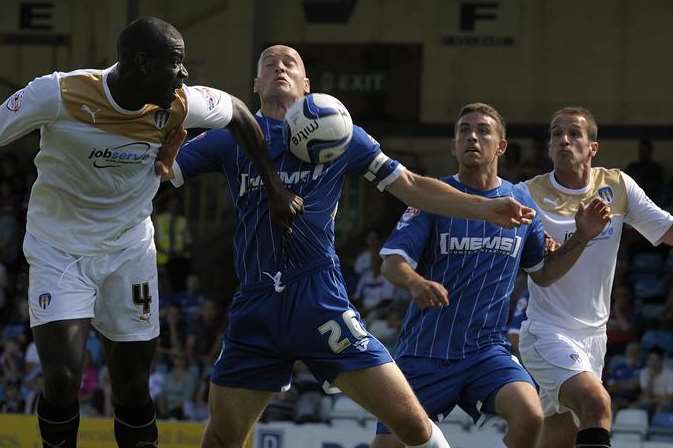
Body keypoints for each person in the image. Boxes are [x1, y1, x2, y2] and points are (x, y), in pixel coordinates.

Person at [161, 46, 537, 448]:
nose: (279, 67)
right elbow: (162, 172)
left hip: (320, 302)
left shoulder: (341, 131)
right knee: (221, 438)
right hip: (257, 307)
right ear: (255, 85)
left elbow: (409, 185)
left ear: (307, 85)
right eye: (268, 64)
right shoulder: (231, 137)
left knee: (409, 424)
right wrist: (160, 154)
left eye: (290, 63)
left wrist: (485, 208)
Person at [0, 17, 300, 448]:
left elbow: (237, 111)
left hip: (129, 251)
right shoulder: (58, 93)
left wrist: (274, 188)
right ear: (141, 63)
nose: (184, 74)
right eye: (175, 64)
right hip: (59, 249)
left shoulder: (178, 102)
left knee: (133, 387)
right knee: (63, 378)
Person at [371, 103, 610, 448]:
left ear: (501, 146)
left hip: (486, 352)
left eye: (483, 130)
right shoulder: (433, 196)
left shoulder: (519, 200)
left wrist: (582, 237)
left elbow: (542, 273)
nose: (472, 136)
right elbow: (391, 263)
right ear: (453, 146)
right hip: (425, 351)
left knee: (530, 415)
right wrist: (416, 282)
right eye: (463, 131)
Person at [518, 107, 673, 448]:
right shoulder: (526, 195)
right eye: (556, 134)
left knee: (559, 437)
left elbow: (667, 230)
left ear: (593, 147)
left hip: (594, 339)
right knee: (597, 403)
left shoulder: (616, 185)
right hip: (547, 332)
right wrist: (578, 236)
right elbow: (541, 274)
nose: (564, 140)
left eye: (574, 133)